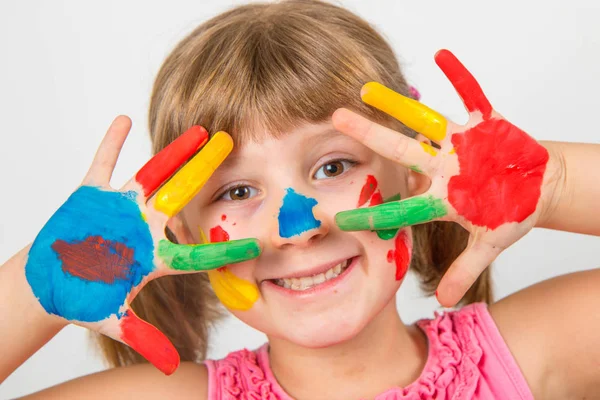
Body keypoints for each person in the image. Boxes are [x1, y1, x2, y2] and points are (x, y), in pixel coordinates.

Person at [1, 1, 599, 399]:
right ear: (176, 235)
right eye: (237, 190)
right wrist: (46, 282)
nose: (297, 227)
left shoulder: (526, 354)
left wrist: (556, 182)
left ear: (415, 177)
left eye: (333, 166)